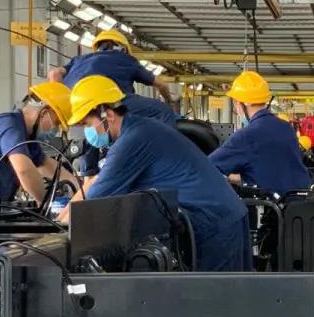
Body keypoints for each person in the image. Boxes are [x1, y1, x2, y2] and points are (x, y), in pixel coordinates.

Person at [62, 75, 250, 272]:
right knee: (233, 290)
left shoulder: (131, 141)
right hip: (224, 215)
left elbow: (91, 204)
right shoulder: (140, 128)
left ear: (107, 115)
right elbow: (98, 181)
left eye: (87, 124)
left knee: (220, 291)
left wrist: (59, 229)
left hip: (216, 223)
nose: (87, 132)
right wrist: (62, 216)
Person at [207, 71, 311, 196]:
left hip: (270, 205)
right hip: (302, 202)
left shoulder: (245, 136)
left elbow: (206, 168)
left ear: (243, 103)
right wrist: (237, 178)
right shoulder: (286, 128)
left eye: (235, 103)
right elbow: (272, 171)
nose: (236, 109)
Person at [0, 82, 77, 205]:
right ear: (44, 113)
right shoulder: (9, 125)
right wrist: (44, 200)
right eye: (57, 122)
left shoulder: (28, 137)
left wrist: (75, 183)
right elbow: (24, 170)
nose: (56, 129)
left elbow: (45, 164)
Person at [50, 30, 174, 105]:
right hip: (115, 107)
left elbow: (54, 73)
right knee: (161, 111)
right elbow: (162, 85)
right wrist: (169, 101)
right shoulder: (127, 60)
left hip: (79, 106)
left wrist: (61, 102)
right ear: (123, 48)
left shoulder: (79, 59)